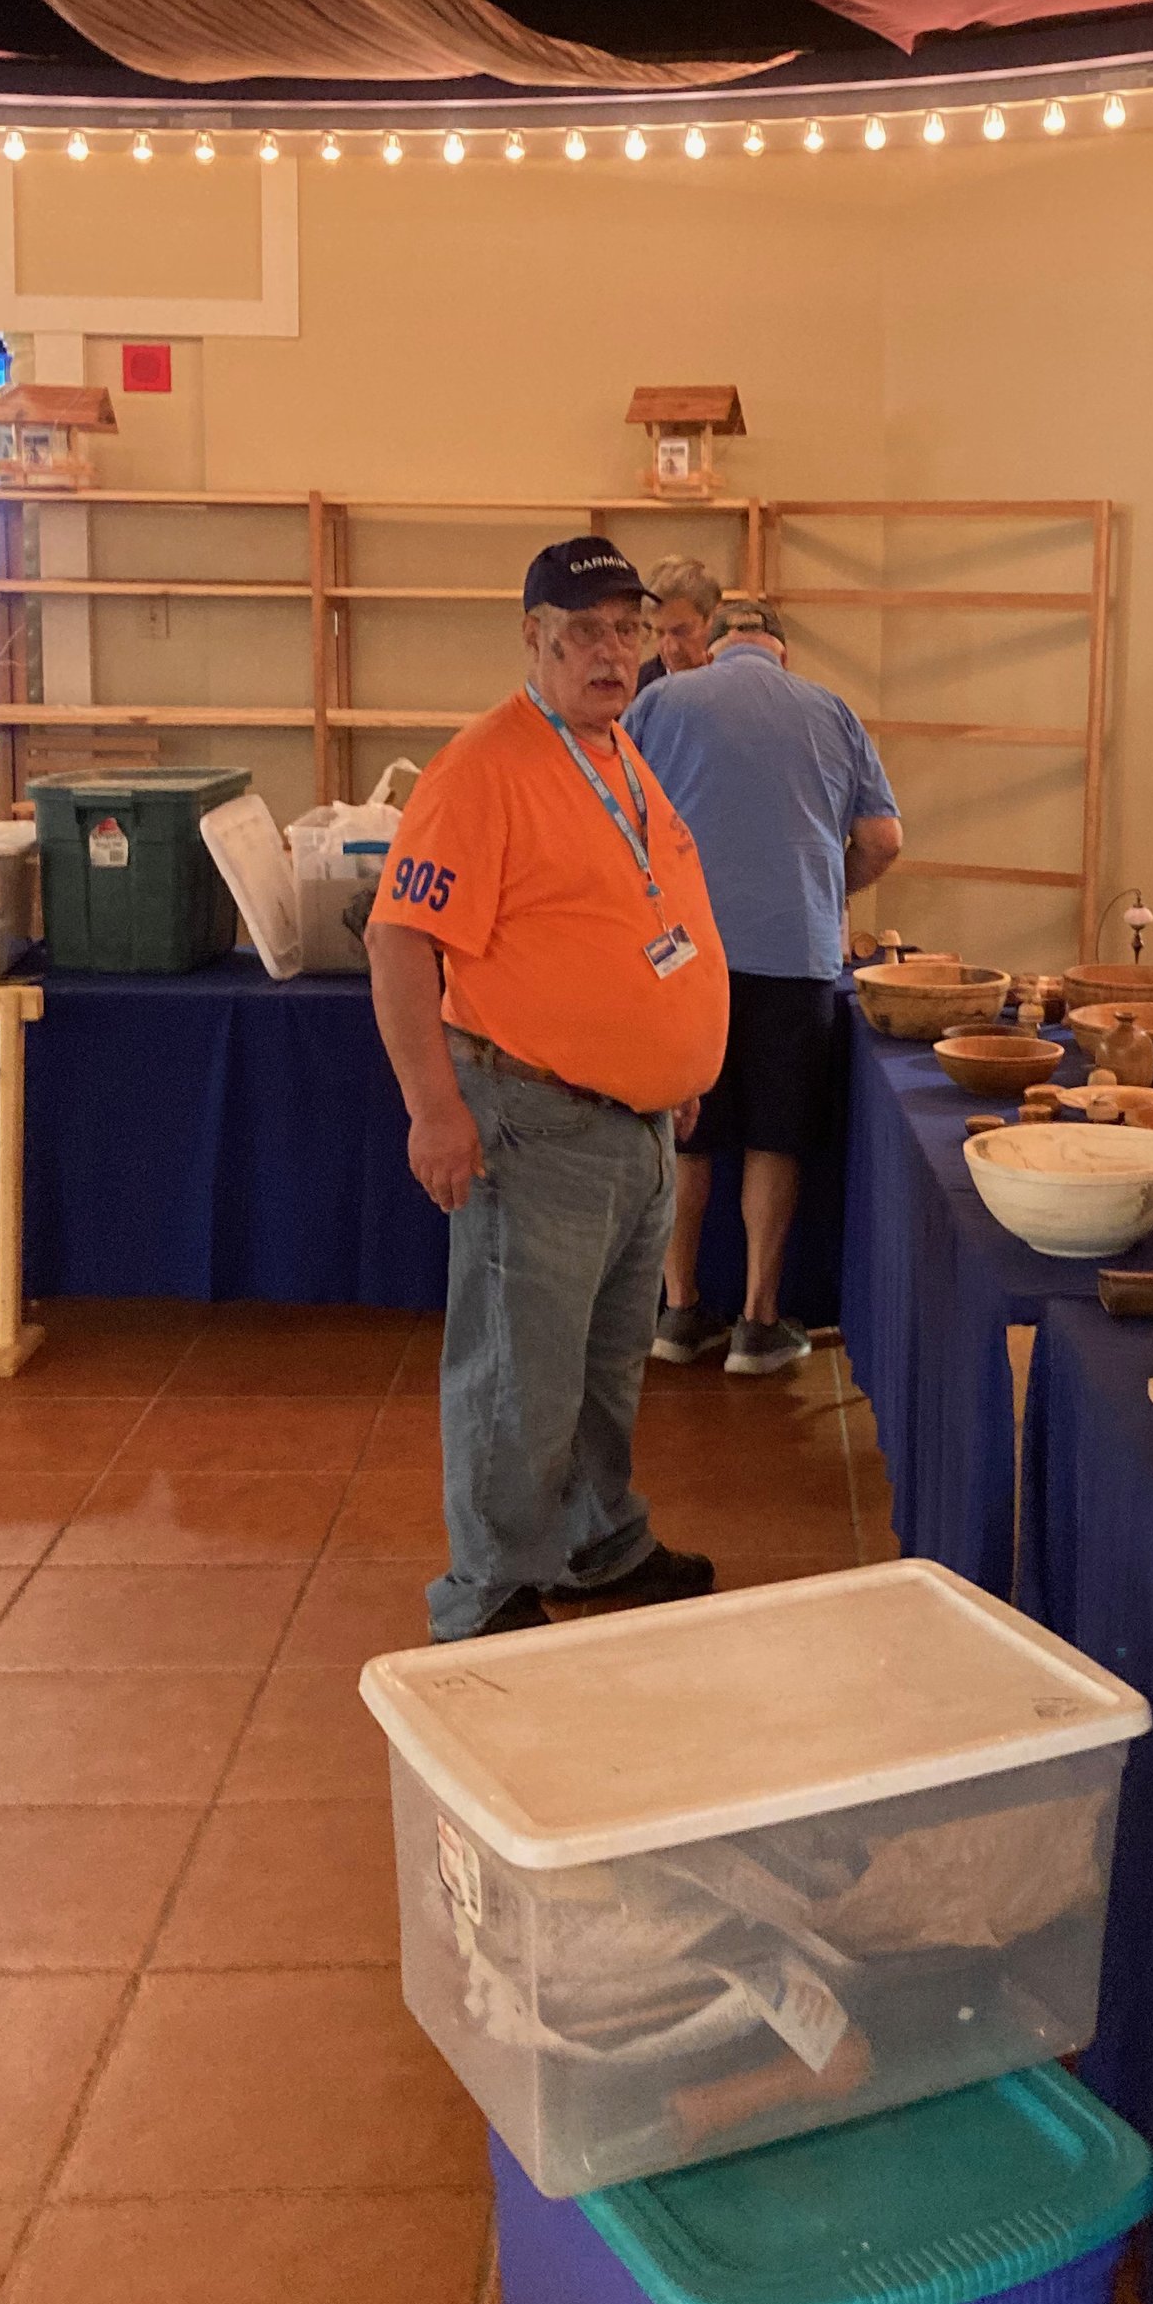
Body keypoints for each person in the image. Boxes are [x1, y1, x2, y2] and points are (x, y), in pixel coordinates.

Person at [365, 535, 731, 1640]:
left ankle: (594, 1542)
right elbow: (397, 942)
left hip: (633, 1130)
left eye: (627, 629)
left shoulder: (616, 750)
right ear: (533, 639)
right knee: (517, 1379)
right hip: (532, 1124)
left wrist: (670, 1066)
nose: (612, 652)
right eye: (583, 633)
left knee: (604, 1370)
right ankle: (486, 1591)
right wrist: (435, 1111)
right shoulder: (483, 768)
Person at [626, 602, 901, 1376]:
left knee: (686, 1131)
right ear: (782, 652)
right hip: (794, 951)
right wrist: (827, 887)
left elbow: (613, 818)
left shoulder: (659, 701)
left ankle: (678, 1312)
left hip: (681, 953)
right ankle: (758, 1322)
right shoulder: (832, 709)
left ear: (713, 647)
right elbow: (883, 838)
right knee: (775, 1137)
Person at [631, 555, 725, 692]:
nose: (672, 649)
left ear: (712, 619)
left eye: (682, 631)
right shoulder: (637, 689)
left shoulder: (737, 682)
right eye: (660, 633)